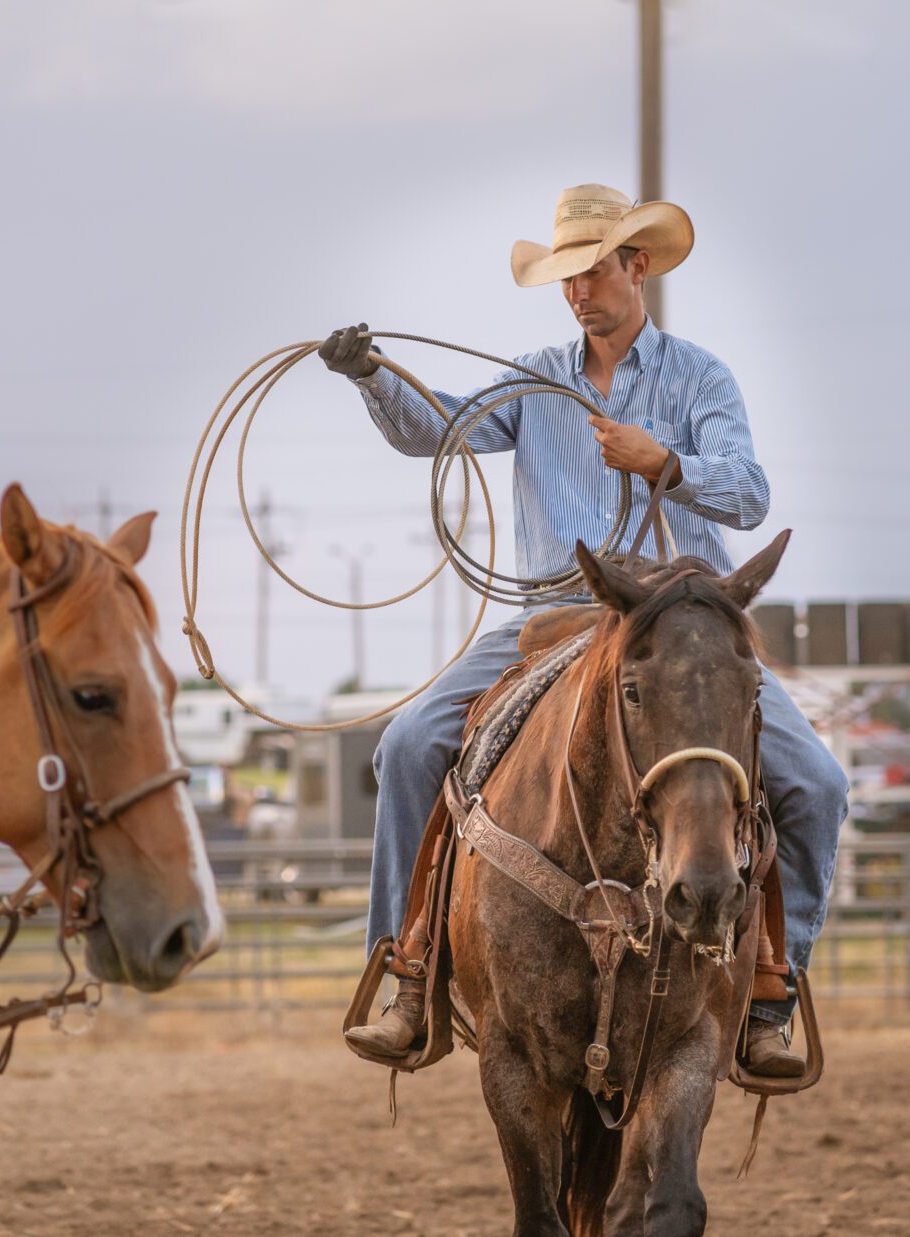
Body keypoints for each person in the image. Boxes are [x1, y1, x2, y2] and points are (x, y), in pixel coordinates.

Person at [320, 184, 848, 1077]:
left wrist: (665, 463)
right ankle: (408, 971)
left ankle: (769, 985)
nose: (577, 292)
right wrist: (372, 377)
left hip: (681, 625)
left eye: (593, 271)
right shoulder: (534, 381)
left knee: (820, 786)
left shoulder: (699, 378)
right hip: (555, 618)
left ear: (635, 267)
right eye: (565, 277)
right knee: (408, 744)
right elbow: (437, 430)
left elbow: (750, 495)